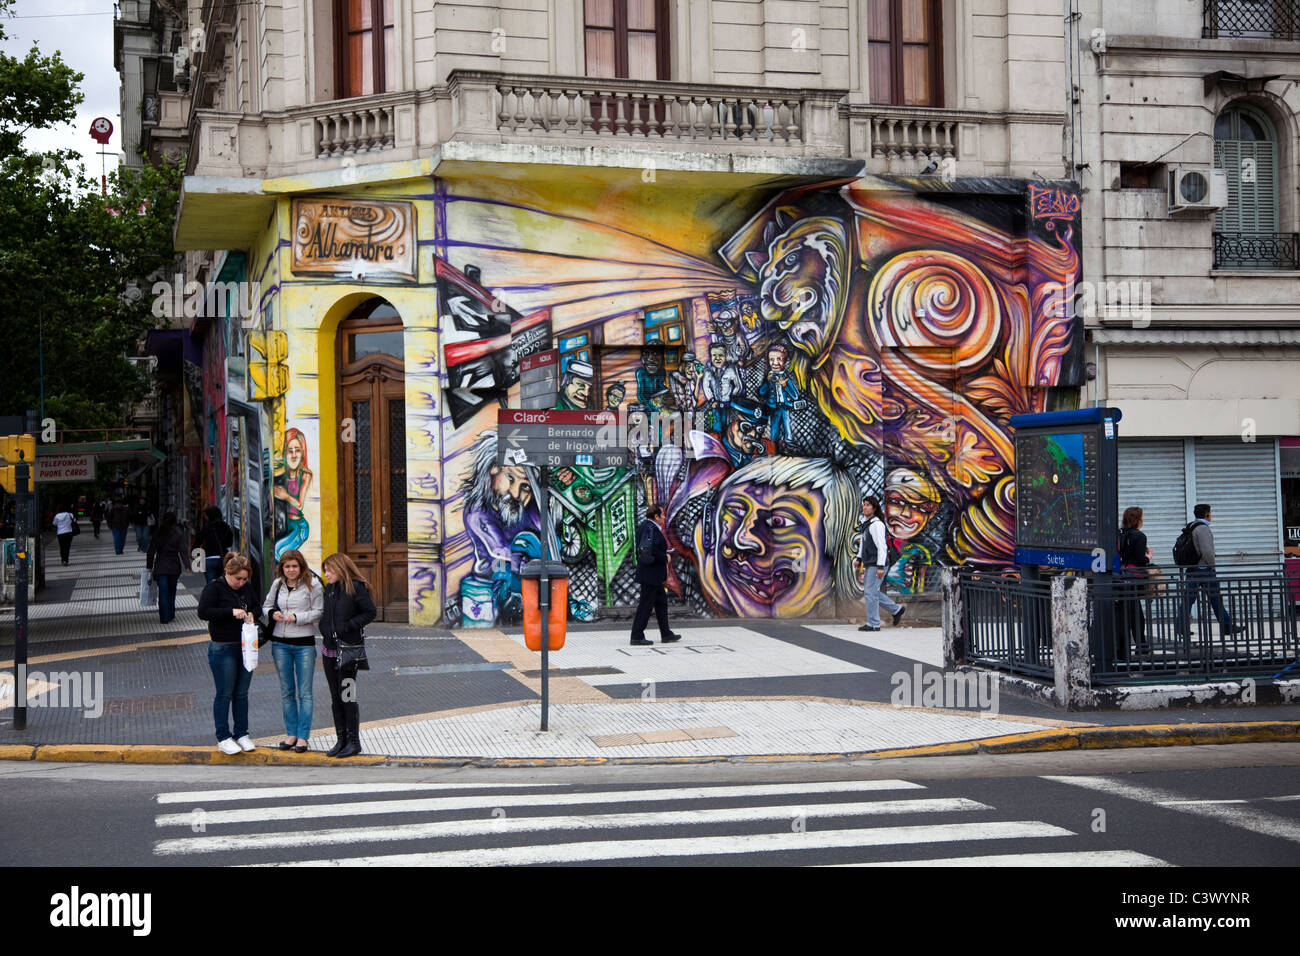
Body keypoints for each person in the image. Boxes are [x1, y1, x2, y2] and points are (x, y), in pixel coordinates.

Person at [196, 553, 264, 755]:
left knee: (241, 693)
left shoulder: (246, 587)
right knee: (225, 693)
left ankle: (241, 733)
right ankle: (223, 736)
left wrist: (252, 613)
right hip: (223, 646)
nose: (241, 583)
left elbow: (256, 606)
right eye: (238, 579)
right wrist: (230, 612)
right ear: (227, 572)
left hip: (245, 646)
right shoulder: (214, 587)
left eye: (244, 579)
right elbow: (203, 612)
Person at [263, 549, 324, 753]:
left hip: (304, 644)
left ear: (301, 567)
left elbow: (319, 612)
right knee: (287, 692)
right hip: (279, 644)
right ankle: (291, 734)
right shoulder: (277, 583)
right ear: (282, 567)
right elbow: (266, 606)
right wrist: (273, 614)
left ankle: (303, 737)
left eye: (294, 566)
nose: (290, 570)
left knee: (305, 692)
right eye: (287, 566)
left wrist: (297, 618)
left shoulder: (313, 585)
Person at [319, 552, 377, 758]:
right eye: (325, 570)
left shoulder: (355, 587)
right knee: (336, 698)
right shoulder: (330, 588)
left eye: (329, 569)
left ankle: (354, 742)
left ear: (340, 568)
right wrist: (325, 629)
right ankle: (341, 739)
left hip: (349, 652)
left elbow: (370, 612)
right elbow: (327, 614)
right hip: (329, 651)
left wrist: (348, 627)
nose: (326, 574)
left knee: (347, 696)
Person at [1178, 503, 1244, 639]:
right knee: (1215, 598)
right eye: (1210, 513)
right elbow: (1207, 552)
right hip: (1204, 570)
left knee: (1188, 599)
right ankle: (1227, 626)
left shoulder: (1191, 526)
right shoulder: (1202, 529)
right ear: (1207, 514)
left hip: (1192, 569)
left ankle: (1181, 627)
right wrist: (1212, 566)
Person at [630, 504, 681, 646]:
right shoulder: (649, 528)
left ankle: (666, 633)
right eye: (662, 515)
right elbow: (648, 549)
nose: (664, 517)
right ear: (656, 516)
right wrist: (664, 557)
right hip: (650, 574)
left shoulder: (647, 527)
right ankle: (636, 635)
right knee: (645, 605)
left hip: (654, 575)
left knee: (661, 603)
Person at [857, 495, 905, 632]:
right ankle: (896, 610)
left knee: (870, 593)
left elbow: (882, 547)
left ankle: (873, 624)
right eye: (864, 504)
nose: (864, 507)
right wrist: (859, 559)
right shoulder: (866, 524)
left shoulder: (876, 525)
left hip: (876, 564)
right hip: (870, 563)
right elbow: (863, 543)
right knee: (870, 592)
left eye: (867, 505)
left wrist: (880, 566)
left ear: (874, 507)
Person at [1116, 506, 1153, 657]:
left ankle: (1138, 645)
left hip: (1122, 575)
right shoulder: (1139, 536)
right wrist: (1148, 556)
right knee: (1135, 613)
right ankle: (1140, 645)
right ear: (1138, 519)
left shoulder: (1120, 534)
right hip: (1134, 577)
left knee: (1130, 612)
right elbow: (1139, 559)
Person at [273, 428, 313, 559]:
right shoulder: (282, 476)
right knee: (278, 552)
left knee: (280, 554)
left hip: (299, 527)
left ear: (303, 453)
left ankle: (306, 575)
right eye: (290, 451)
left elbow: (300, 505)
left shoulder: (305, 475)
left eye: (298, 450)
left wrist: (286, 496)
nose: (294, 455)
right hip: (287, 524)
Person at [146, 512, 187, 624]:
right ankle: (171, 614)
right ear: (174, 522)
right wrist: (187, 565)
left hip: (160, 566)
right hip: (174, 566)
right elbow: (183, 551)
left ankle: (164, 617)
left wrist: (149, 566)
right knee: (171, 591)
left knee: (163, 592)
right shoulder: (178, 534)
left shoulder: (158, 533)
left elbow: (151, 552)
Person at [196, 506, 234, 583]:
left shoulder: (206, 527)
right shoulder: (225, 526)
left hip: (209, 559)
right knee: (224, 583)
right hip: (224, 558)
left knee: (211, 585)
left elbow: (198, 542)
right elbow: (229, 543)